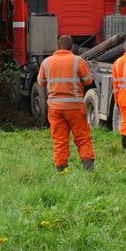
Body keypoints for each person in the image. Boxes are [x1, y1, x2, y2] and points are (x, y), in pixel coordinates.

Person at [35, 35, 96, 171]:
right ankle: (89, 168)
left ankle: (61, 169)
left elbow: (40, 82)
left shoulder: (46, 62)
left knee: (59, 140)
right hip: (75, 106)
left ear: (58, 47)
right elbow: (88, 81)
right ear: (72, 47)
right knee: (82, 138)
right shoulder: (77, 60)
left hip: (55, 107)